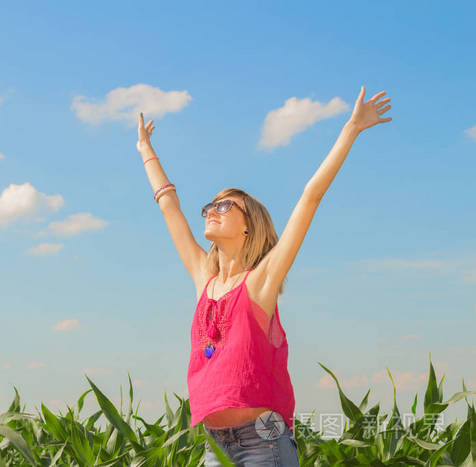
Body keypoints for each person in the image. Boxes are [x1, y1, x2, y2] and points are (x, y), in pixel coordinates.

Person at [136, 85, 392, 466]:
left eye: (226, 205)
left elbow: (310, 197)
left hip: (263, 445)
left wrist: (351, 128)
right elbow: (169, 206)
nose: (211, 209)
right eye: (210, 204)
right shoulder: (203, 281)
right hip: (215, 446)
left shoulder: (260, 282)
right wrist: (146, 151)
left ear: (247, 226)